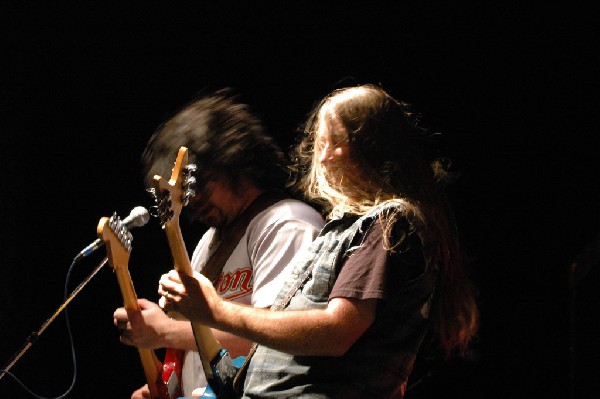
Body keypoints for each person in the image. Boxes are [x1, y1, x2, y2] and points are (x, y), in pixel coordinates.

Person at [159, 84, 479, 398]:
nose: (323, 158)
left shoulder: (390, 223)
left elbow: (337, 332)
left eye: (335, 142)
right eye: (321, 143)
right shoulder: (341, 230)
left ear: (373, 145)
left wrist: (217, 311)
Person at [113, 89, 325, 398]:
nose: (192, 199)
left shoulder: (287, 223)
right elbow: (201, 344)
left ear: (232, 162)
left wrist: (165, 331)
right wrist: (167, 385)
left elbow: (280, 339)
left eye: (199, 184)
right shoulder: (209, 242)